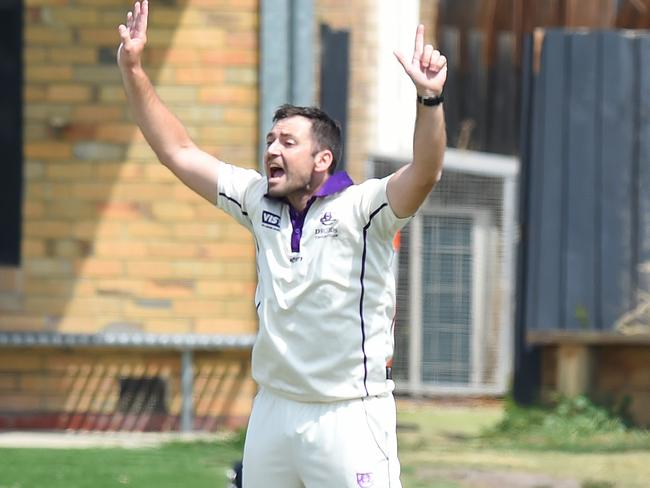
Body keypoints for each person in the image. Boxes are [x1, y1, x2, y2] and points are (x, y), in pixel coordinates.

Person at [117, 2, 447, 487]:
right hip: (272, 410)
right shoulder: (257, 201)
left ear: (322, 159)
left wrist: (430, 100)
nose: (272, 149)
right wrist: (133, 68)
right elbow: (177, 151)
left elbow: (425, 171)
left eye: (288, 142)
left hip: (349, 415)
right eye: (270, 139)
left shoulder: (363, 208)